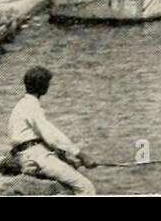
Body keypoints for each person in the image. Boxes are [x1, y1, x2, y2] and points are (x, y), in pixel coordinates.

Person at [8, 66, 96, 195]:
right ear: (42, 86)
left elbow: (37, 138)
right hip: (35, 156)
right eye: (47, 83)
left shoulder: (21, 105)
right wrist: (81, 155)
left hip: (27, 154)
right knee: (85, 186)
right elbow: (51, 136)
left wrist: (64, 158)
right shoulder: (31, 106)